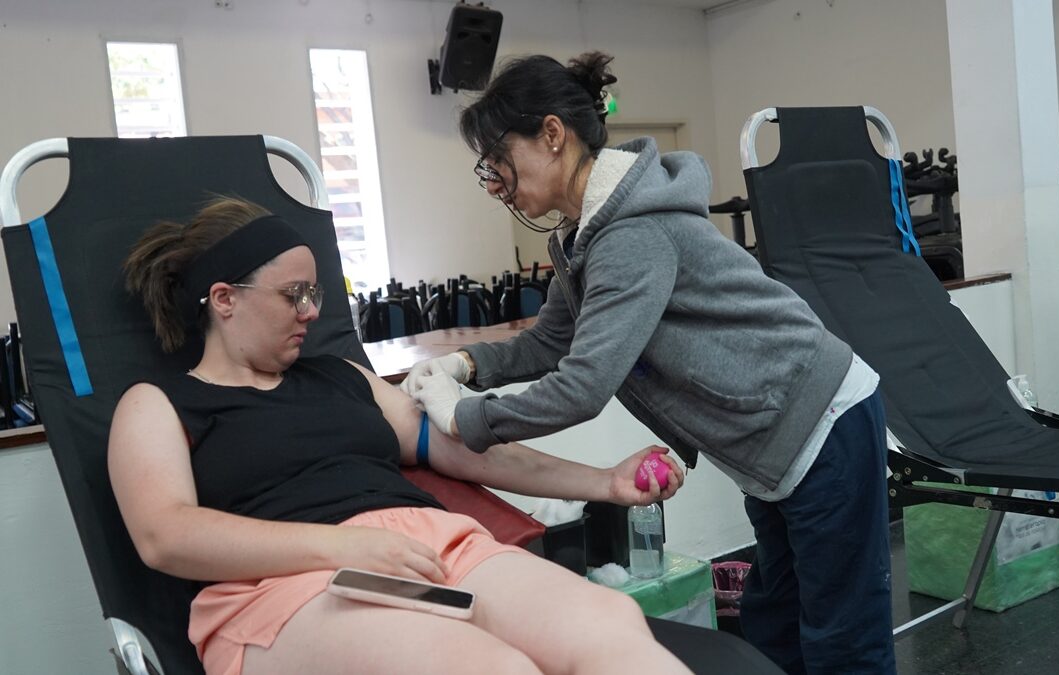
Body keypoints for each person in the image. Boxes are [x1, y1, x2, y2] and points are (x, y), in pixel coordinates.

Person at [402, 52, 897, 675]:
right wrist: (466, 367)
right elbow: (549, 344)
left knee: (843, 641)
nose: (497, 179)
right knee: (779, 619)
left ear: (552, 135)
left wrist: (463, 418)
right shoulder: (586, 236)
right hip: (771, 444)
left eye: (500, 157)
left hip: (822, 423)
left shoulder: (631, 236)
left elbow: (582, 386)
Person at [108, 197, 690, 675]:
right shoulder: (157, 404)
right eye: (295, 295)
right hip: (291, 585)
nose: (312, 312)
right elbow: (166, 535)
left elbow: (463, 451)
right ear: (224, 299)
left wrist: (603, 483)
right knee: (491, 669)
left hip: (432, 550)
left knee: (607, 626)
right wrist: (343, 547)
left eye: (316, 294)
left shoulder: (344, 377)